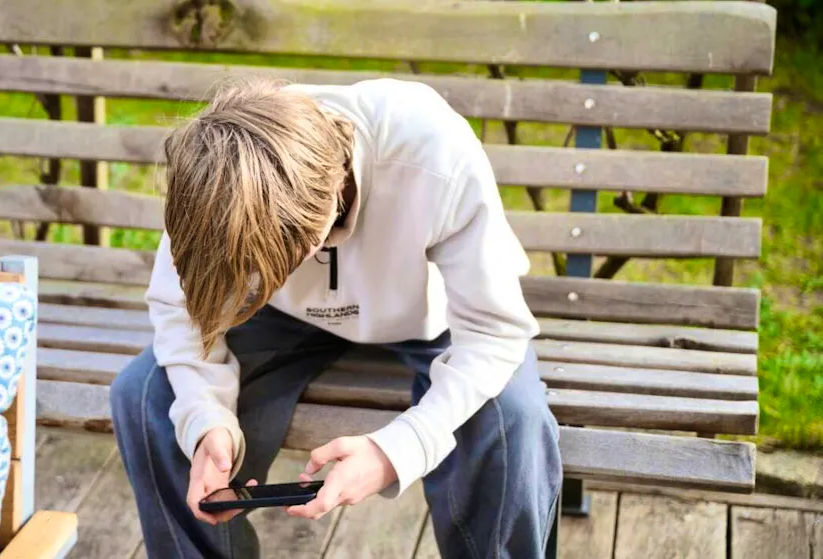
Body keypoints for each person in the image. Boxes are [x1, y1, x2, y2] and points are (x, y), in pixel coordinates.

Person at [110, 77, 562, 559]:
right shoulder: (216, 175)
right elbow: (180, 307)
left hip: (428, 316)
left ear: (315, 235)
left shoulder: (434, 150)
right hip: (277, 317)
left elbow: (494, 332)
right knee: (146, 395)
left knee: (513, 416)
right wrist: (205, 420)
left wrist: (397, 450)